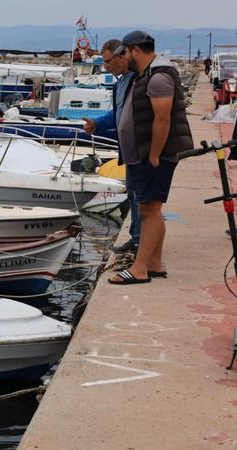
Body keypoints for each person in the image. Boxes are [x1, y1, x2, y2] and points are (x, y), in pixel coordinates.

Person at [108, 30, 193, 285]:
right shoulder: (145, 76)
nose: (123, 58)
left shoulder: (158, 78)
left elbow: (163, 119)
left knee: (149, 209)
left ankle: (140, 269)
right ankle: (154, 264)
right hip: (142, 154)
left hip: (154, 155)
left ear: (135, 50)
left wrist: (154, 153)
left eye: (124, 52)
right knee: (150, 209)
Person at [83, 39, 138, 254]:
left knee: (142, 199)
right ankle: (135, 239)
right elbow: (118, 115)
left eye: (107, 62)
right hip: (126, 148)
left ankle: (140, 241)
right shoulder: (121, 84)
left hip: (139, 148)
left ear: (120, 56)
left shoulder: (138, 81)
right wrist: (96, 125)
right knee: (133, 194)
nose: (106, 67)